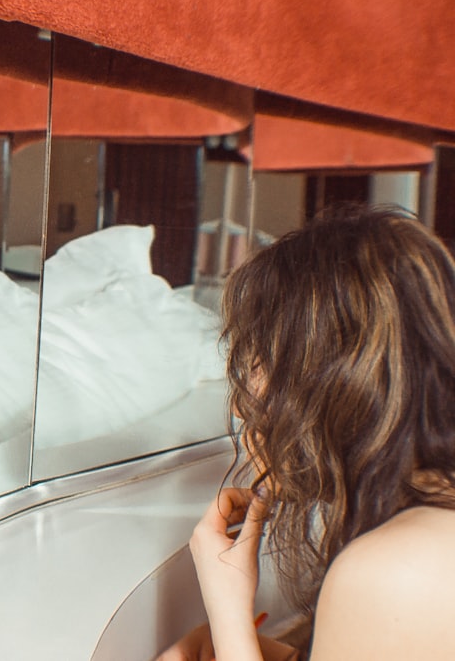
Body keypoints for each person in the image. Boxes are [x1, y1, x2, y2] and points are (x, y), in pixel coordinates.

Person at [158, 205, 455, 660]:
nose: (244, 401)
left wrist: (229, 613)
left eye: (258, 357)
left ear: (330, 377)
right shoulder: (430, 523)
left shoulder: (394, 569)